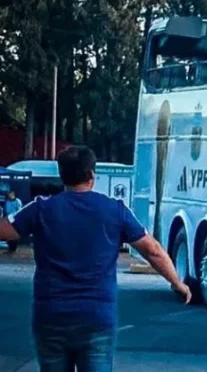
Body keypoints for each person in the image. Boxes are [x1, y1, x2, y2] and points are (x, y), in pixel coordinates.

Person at [0, 146, 191, 372]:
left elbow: (4, 231)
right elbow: (153, 251)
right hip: (96, 318)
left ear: (61, 176)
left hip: (50, 316)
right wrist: (176, 282)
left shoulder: (41, 209)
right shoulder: (115, 210)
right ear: (92, 174)